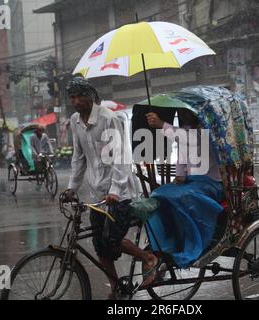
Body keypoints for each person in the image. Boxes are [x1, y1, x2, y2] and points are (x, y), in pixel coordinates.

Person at [63, 76, 158, 299]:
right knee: (99, 246)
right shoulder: (75, 121)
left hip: (120, 192)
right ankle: (116, 287)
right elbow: (78, 158)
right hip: (97, 194)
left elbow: (121, 157)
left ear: (90, 96)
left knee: (112, 240)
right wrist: (71, 188)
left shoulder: (108, 118)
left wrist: (116, 189)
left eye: (80, 96)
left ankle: (148, 258)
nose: (76, 101)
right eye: (72, 97)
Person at [145, 110, 224, 268]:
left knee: (185, 197)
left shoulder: (207, 129)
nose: (185, 115)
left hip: (209, 183)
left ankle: (193, 242)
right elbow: (182, 154)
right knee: (158, 194)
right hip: (190, 182)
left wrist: (162, 125)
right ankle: (169, 242)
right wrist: (180, 175)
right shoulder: (186, 129)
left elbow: (190, 140)